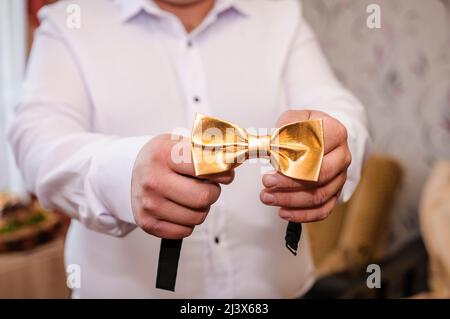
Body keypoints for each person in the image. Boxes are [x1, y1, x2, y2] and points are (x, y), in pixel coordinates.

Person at [9, 0, 369, 298]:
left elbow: (337, 107)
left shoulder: (278, 12)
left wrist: (337, 142)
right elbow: (36, 140)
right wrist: (122, 175)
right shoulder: (68, 22)